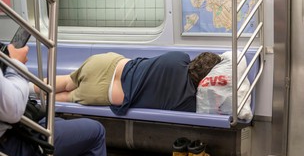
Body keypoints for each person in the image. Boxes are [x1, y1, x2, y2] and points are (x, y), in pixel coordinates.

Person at [32, 51, 222, 116]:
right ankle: (27, 101)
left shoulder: (179, 58)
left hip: (108, 63)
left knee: (66, 82)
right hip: (105, 93)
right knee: (66, 97)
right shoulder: (188, 102)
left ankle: (24, 89)